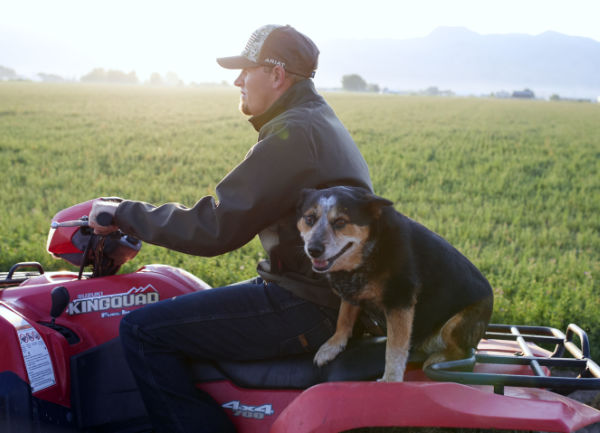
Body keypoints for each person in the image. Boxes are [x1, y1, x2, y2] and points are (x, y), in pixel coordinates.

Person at [89, 24, 373, 433]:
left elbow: (214, 228)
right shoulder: (314, 119)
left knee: (142, 330)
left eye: (247, 70)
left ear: (276, 75)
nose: (237, 80)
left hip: (308, 302)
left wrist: (122, 214)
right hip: (322, 291)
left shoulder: (292, 136)